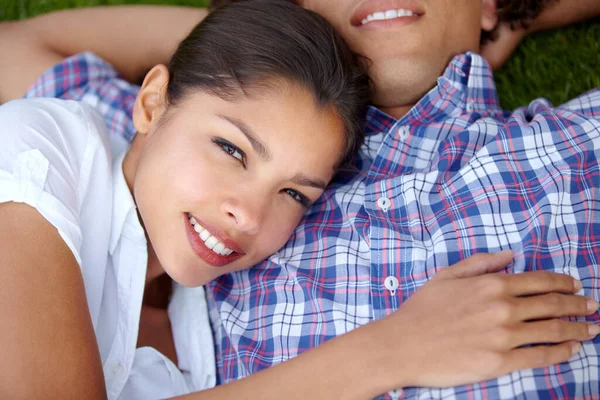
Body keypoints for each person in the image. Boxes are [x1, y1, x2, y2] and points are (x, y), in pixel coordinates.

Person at [0, 0, 599, 399]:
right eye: (234, 151)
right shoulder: (161, 147)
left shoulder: (575, 145)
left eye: (293, 192)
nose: (249, 212)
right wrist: (271, 34)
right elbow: (16, 46)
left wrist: (501, 13)